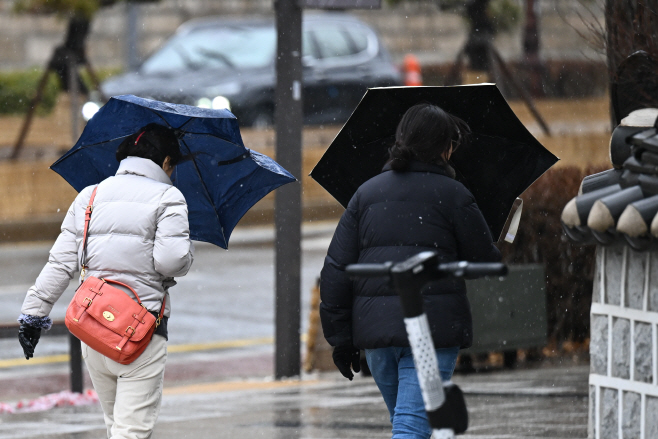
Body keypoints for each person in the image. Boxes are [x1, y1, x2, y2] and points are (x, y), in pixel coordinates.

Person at [319, 103, 501, 439]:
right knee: (411, 429)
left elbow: (335, 270)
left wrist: (341, 339)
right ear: (444, 147)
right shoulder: (455, 195)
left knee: (409, 426)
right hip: (432, 330)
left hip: (377, 337)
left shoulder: (366, 194)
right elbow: (482, 261)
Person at [17, 123, 194, 439]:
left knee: (115, 426)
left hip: (94, 331)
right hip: (140, 332)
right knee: (131, 432)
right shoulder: (169, 198)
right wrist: (186, 253)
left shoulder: (90, 195)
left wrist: (33, 315)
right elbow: (171, 262)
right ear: (166, 161)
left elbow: (60, 264)